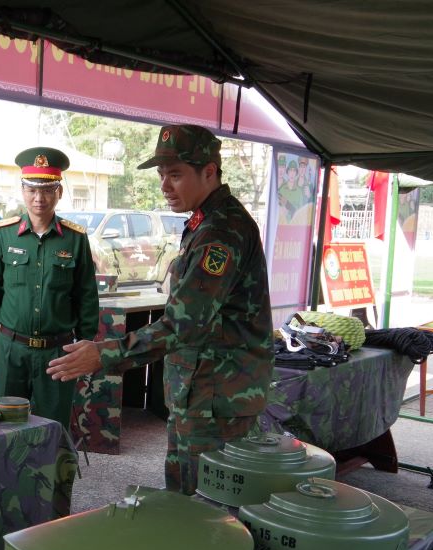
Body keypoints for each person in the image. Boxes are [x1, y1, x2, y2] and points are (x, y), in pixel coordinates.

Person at [46, 124, 273, 495]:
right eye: (162, 175)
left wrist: (103, 355)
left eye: (176, 175)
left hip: (218, 398)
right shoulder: (207, 222)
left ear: (210, 172)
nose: (165, 185)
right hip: (205, 392)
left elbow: (183, 325)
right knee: (186, 496)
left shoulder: (221, 231)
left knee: (203, 505)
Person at [0, 146, 99, 428]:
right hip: (11, 349)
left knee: (52, 427)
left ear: (59, 192)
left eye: (47, 190)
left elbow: (86, 296)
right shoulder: (3, 235)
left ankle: (53, 473)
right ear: (22, 191)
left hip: (57, 352)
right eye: (32, 189)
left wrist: (85, 345)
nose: (39, 198)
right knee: (7, 427)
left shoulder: (75, 239)